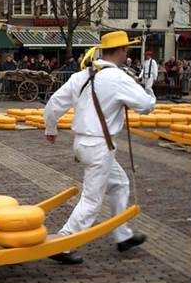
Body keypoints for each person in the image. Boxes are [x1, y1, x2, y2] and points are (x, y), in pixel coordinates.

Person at [43, 31, 155, 264]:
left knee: (119, 183)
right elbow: (145, 105)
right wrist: (148, 91)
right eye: (127, 50)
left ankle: (122, 235)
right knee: (92, 200)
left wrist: (51, 129)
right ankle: (63, 242)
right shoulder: (118, 78)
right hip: (99, 147)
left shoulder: (81, 75)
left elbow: (54, 103)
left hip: (82, 144)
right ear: (122, 51)